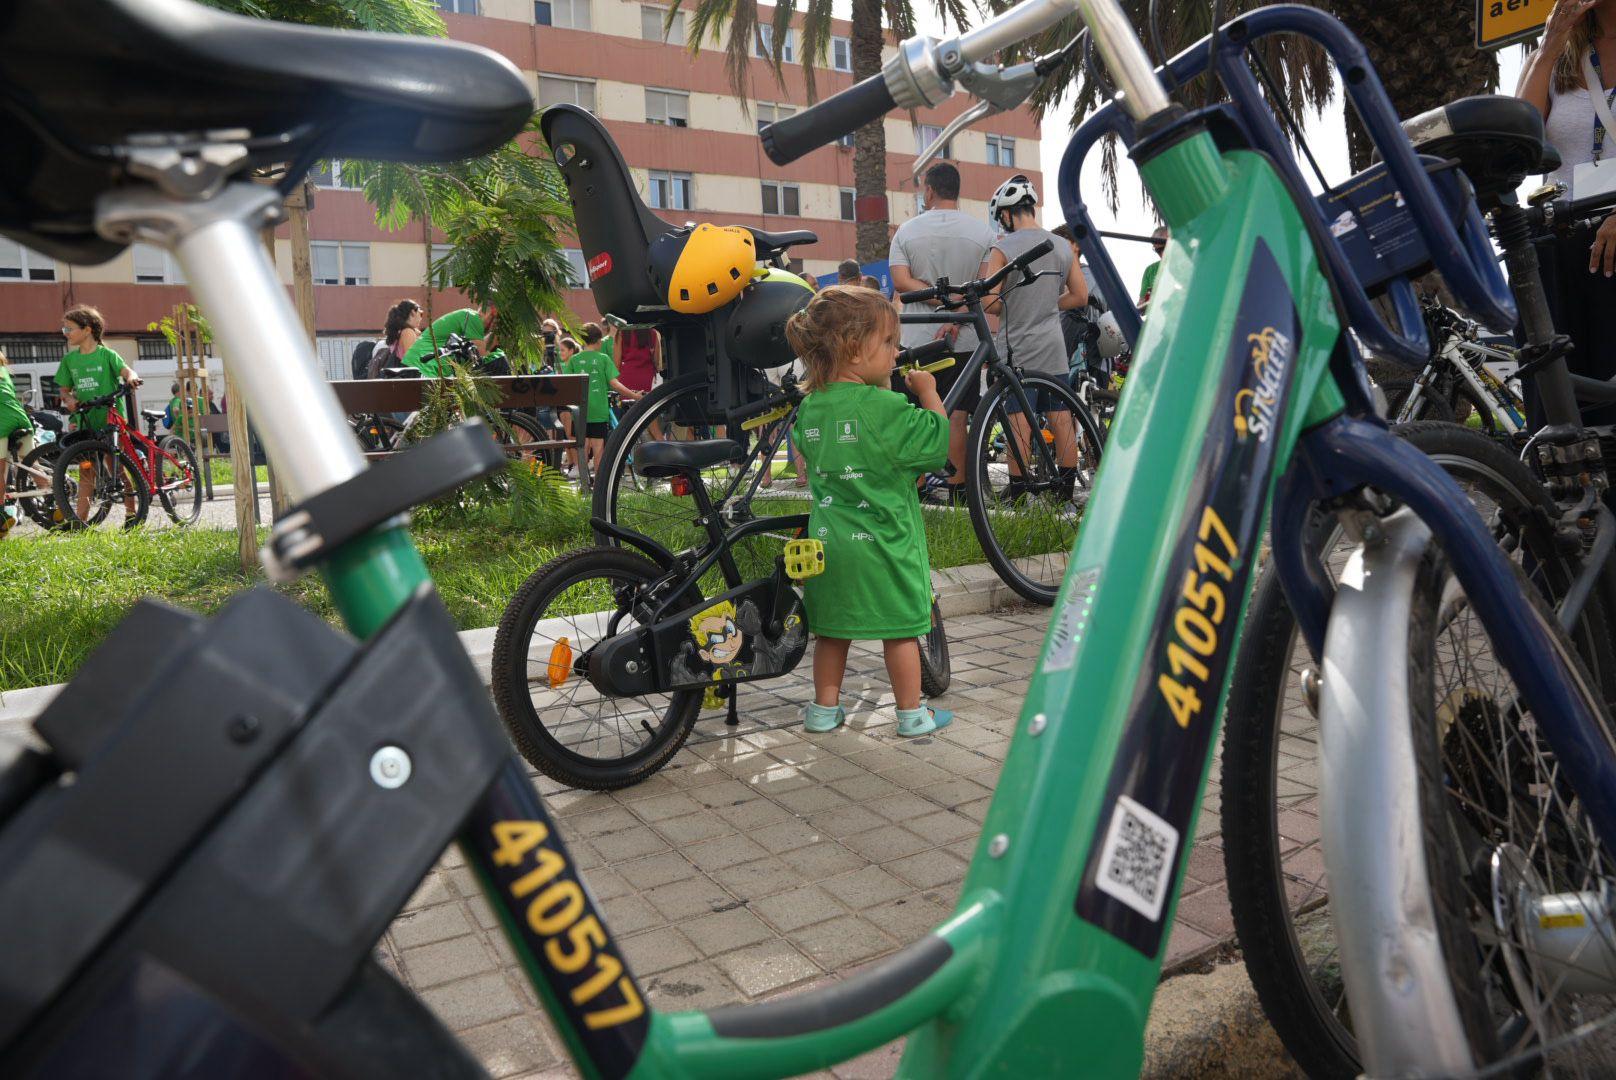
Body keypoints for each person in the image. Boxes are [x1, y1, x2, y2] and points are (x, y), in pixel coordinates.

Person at [787, 286, 953, 737]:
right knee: (900, 631)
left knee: (832, 632)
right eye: (889, 342)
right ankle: (912, 715)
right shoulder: (886, 408)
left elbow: (824, 445)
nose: (897, 352)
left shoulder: (811, 407)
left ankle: (823, 710)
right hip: (884, 546)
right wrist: (929, 393)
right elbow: (935, 445)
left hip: (830, 547)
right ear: (855, 349)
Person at [1519, 0, 1616, 424]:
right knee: (1553, 408)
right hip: (1554, 243)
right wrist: (1549, 47)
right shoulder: (1555, 54)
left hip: (1611, 248)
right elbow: (1518, 146)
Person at [889, 162, 998, 506]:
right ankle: (958, 492)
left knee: (913, 415)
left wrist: (937, 298)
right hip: (964, 340)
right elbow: (982, 288)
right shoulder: (983, 233)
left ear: (929, 190)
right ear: (957, 190)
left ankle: (917, 489)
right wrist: (956, 305)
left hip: (917, 338)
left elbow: (901, 282)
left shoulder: (907, 231)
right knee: (958, 416)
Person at [981, 175, 1089, 503]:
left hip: (1017, 347)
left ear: (1007, 214)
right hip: (1053, 346)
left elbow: (989, 301)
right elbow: (1080, 296)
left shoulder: (1002, 247)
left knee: (1019, 423)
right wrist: (1048, 304)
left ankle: (1018, 495)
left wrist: (1016, 305)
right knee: (1061, 417)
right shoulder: (1061, 246)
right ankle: (1065, 495)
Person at [55, 305, 142, 522]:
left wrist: (131, 378)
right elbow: (64, 390)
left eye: (69, 329)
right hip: (85, 420)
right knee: (86, 470)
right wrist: (69, 399)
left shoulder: (107, 355)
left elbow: (126, 371)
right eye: (64, 329)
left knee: (116, 467)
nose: (65, 333)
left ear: (87, 329)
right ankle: (80, 522)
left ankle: (131, 513)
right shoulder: (69, 360)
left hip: (109, 419)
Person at [561, 324, 642, 473]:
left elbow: (567, 384)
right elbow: (615, 384)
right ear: (599, 341)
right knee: (598, 449)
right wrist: (634, 395)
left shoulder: (574, 360)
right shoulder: (603, 359)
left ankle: (584, 483)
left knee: (583, 448)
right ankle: (598, 482)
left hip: (580, 412)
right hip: (599, 411)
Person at [0, 349, 34, 536]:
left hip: (2, 420)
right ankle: (54, 502)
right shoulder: (4, 370)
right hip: (20, 417)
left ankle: (1, 515)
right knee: (31, 463)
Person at [401, 306, 486, 375]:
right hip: (422, 368)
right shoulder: (471, 317)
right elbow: (481, 352)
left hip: (423, 368)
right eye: (421, 314)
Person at [370, 299, 423, 379]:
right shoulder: (408, 332)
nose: (421, 318)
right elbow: (412, 359)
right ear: (413, 312)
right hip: (407, 378)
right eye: (421, 314)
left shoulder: (401, 331)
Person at [1138, 226, 1168, 308]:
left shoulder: (1189, 264)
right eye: (1157, 250)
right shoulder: (1150, 270)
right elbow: (1141, 304)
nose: (1161, 254)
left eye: (1163, 248)